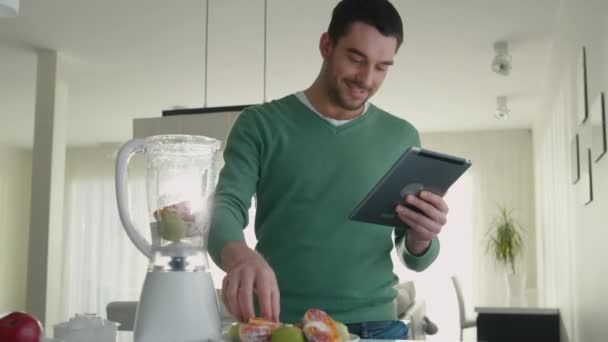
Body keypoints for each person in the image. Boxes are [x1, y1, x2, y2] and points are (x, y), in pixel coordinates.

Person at [208, 0, 449, 339]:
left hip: (376, 325)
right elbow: (225, 206)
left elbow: (414, 256)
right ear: (326, 45)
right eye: (356, 58)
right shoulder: (260, 124)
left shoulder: (402, 137)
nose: (366, 78)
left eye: (382, 67)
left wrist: (422, 238)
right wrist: (238, 255)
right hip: (282, 326)